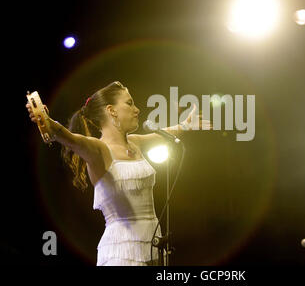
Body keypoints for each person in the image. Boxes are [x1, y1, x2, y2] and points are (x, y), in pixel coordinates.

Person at [26, 81, 211, 266]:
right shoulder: (98, 149)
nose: (137, 110)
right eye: (129, 103)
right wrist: (47, 122)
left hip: (153, 246)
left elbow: (166, 133)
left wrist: (186, 125)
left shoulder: (135, 142)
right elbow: (70, 138)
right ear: (111, 110)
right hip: (121, 252)